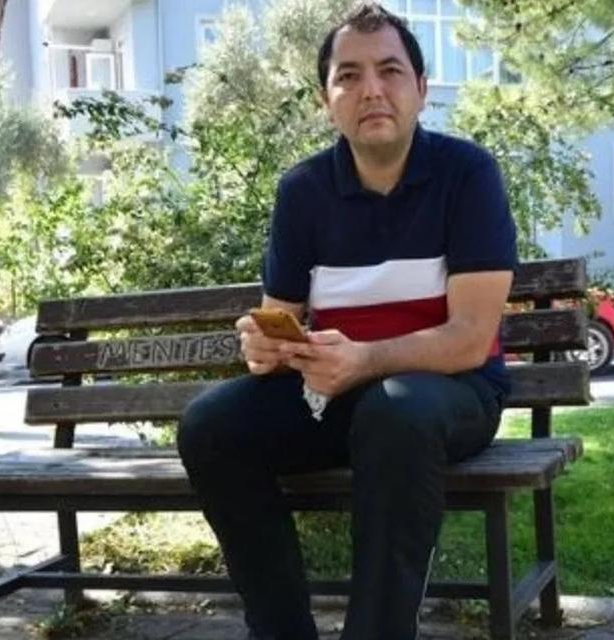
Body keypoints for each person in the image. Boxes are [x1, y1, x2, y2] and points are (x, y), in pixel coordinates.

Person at [178, 3, 517, 639]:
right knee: (210, 426)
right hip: (338, 395)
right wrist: (266, 349)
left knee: (395, 411)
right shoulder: (303, 191)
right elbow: (280, 321)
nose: (372, 90)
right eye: (349, 76)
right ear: (325, 99)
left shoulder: (467, 175)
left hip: (454, 392)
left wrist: (365, 360)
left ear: (421, 88)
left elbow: (471, 340)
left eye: (390, 71)